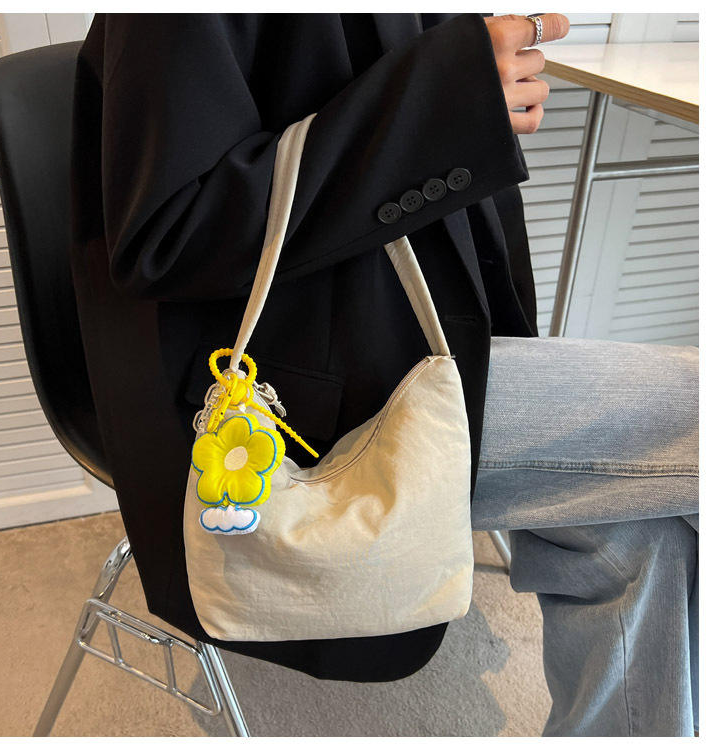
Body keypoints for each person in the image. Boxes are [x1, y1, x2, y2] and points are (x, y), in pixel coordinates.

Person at [69, 12, 698, 736]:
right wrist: (442, 105)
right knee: (691, 414)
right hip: (294, 375)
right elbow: (169, 233)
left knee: (637, 537)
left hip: (422, 332)